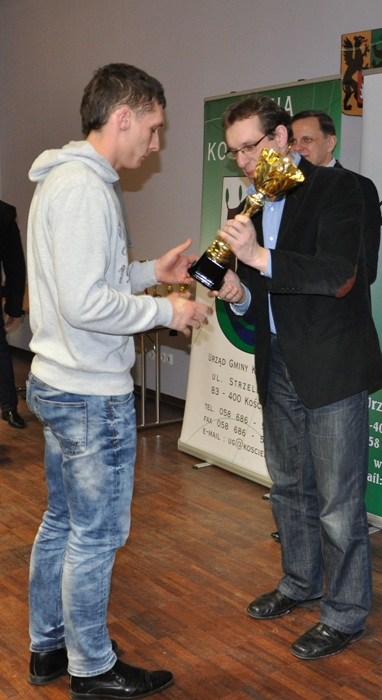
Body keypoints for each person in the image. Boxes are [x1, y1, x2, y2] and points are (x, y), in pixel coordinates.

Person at [25, 63, 211, 699]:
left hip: (59, 381)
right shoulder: (84, 188)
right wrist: (167, 311)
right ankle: (92, 668)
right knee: (96, 534)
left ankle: (49, 647)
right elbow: (83, 303)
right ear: (123, 116)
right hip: (87, 392)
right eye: (153, 129)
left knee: (63, 522)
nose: (155, 144)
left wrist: (149, 273)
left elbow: (90, 281)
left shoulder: (67, 179)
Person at [211, 95, 382, 660]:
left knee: (338, 501)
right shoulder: (255, 200)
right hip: (276, 360)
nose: (243, 161)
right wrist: (237, 293)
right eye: (235, 152)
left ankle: (346, 613)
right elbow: (260, 293)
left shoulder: (340, 189)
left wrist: (258, 257)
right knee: (288, 487)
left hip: (331, 364)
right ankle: (299, 582)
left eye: (251, 147)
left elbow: (338, 274)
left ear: (282, 138)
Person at [289, 109, 382, 284]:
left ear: (330, 143)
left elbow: (366, 267)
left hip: (333, 297)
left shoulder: (358, 186)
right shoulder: (286, 189)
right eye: (293, 141)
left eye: (307, 140)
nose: (297, 148)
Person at [0, 200, 27, 429]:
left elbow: (15, 264)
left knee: (0, 352)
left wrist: (13, 307)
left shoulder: (3, 213)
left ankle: (9, 407)